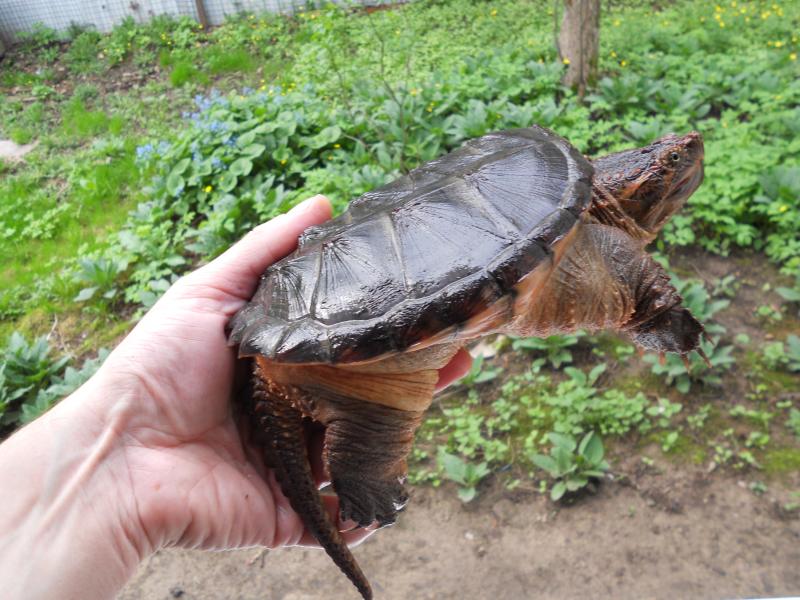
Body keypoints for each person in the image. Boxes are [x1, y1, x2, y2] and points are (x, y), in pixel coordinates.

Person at [0, 195, 472, 600]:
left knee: (378, 415)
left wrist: (117, 458)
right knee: (373, 424)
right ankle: (364, 446)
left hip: (293, 326)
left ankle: (364, 444)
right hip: (342, 346)